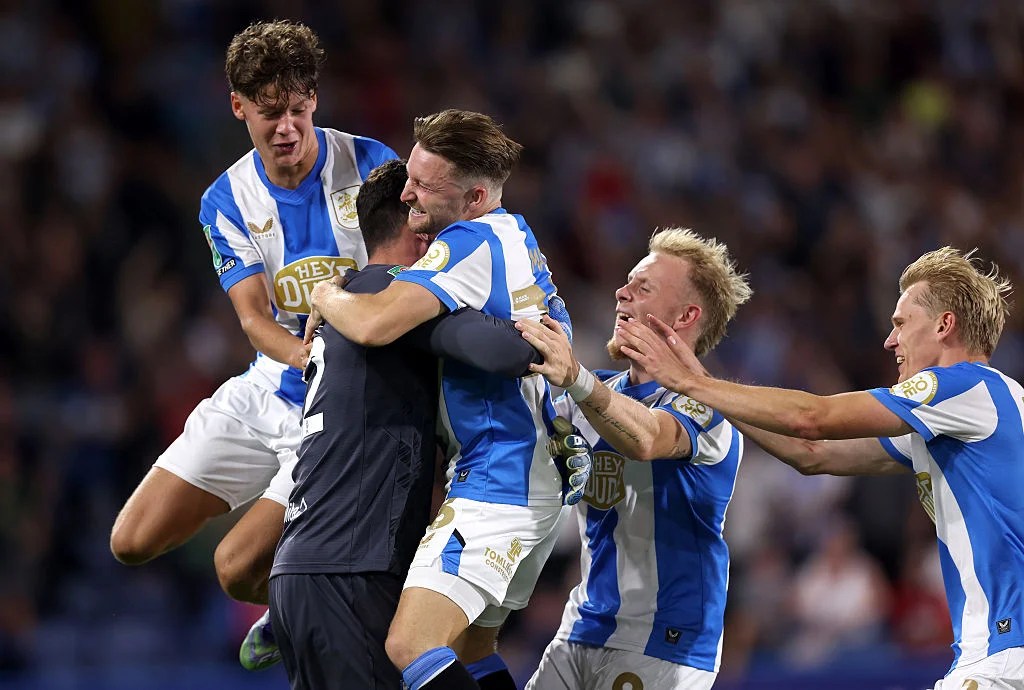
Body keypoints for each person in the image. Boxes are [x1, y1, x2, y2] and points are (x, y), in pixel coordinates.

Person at [617, 246, 1024, 689]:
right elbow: (811, 454)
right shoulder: (970, 410)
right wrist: (702, 384)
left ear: (945, 325)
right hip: (992, 654)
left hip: (1006, 655)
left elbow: (813, 418)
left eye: (901, 323)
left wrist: (692, 383)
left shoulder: (962, 387)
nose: (891, 341)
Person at [109, 19, 397, 616]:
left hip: (350, 405)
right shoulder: (226, 200)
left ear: (314, 98)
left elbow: (409, 284)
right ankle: (311, 590)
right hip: (275, 383)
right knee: (131, 541)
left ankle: (328, 593)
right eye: (270, 112)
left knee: (238, 573)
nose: (287, 127)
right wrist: (305, 356)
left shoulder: (373, 168)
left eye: (297, 108)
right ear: (238, 107)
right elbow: (253, 317)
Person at [267, 158, 587, 690]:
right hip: (354, 564)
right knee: (415, 646)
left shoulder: (348, 297)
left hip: (299, 566)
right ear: (422, 240)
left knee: (470, 647)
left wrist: (327, 294)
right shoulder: (396, 306)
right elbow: (511, 351)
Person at [514, 227, 752, 690]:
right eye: (627, 282)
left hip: (666, 642)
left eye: (643, 288)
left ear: (686, 315)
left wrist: (577, 379)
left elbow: (645, 439)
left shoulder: (709, 411)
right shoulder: (589, 395)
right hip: (580, 627)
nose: (621, 292)